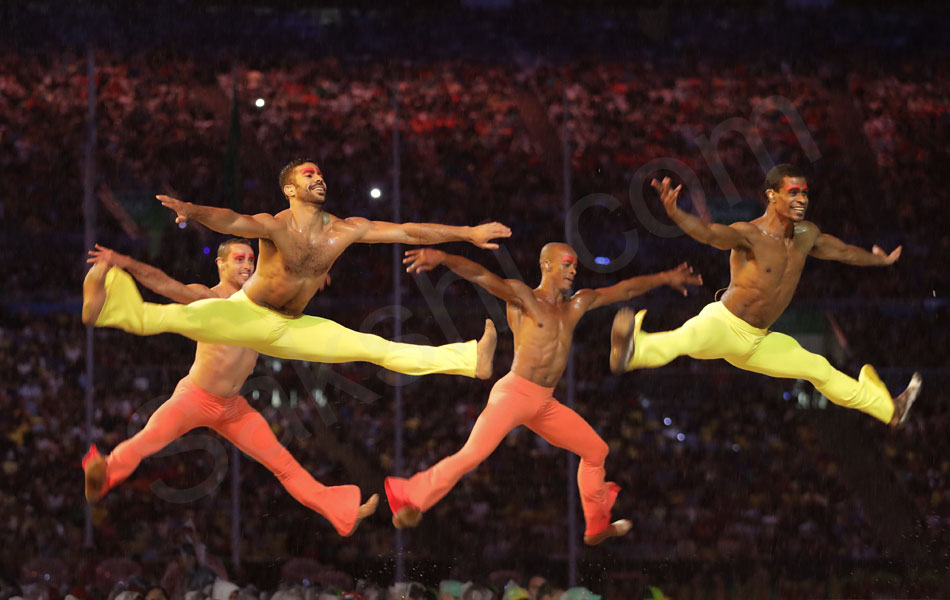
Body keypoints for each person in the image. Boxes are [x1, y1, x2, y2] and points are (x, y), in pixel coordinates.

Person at [384, 243, 701, 544]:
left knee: (596, 452)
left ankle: (596, 525)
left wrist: (666, 277)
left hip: (544, 402)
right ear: (546, 265)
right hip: (513, 394)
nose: (573, 271)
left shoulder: (577, 304)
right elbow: (481, 275)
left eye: (575, 266)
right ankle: (409, 497)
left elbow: (625, 290)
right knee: (471, 456)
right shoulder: (525, 298)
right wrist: (443, 258)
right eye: (566, 264)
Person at [82, 158, 509, 379]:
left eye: (320, 174)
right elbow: (230, 220)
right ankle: (104, 306)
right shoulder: (273, 226)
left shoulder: (346, 229)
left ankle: (470, 360)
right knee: (168, 316)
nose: (318, 178)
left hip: (294, 327)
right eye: (309, 175)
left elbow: (409, 232)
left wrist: (467, 232)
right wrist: (191, 210)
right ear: (291, 189)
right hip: (245, 314)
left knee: (374, 348)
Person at [82, 241, 377, 536]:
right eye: (239, 259)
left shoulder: (262, 304)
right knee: (146, 441)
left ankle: (343, 513)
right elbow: (163, 284)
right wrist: (125, 260)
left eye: (250, 259)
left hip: (233, 408)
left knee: (284, 463)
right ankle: (101, 474)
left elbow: (293, 289)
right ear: (221, 265)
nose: (247, 265)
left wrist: (310, 280)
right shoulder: (210, 298)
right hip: (194, 398)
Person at [610, 165, 921, 426]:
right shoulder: (750, 234)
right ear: (772, 195)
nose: (801, 199)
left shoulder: (806, 235)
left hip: (760, 340)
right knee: (683, 339)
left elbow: (841, 251)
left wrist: (878, 260)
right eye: (793, 193)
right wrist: (676, 213)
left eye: (804, 193)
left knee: (820, 369)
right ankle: (633, 352)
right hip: (725, 324)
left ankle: (889, 411)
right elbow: (708, 233)